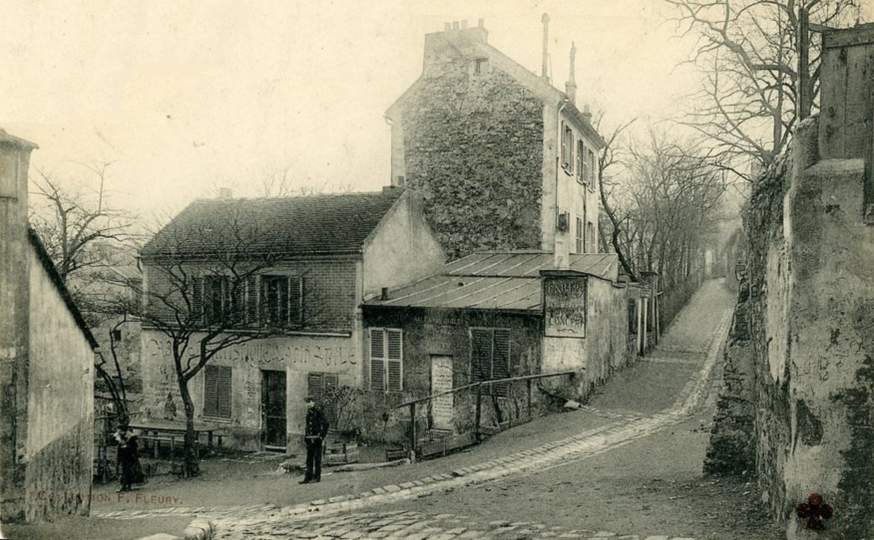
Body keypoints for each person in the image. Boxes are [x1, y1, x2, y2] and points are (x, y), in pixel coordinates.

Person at [300, 396, 329, 484]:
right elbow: (308, 427)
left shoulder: (318, 412)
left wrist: (321, 436)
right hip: (309, 439)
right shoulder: (309, 413)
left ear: (313, 402)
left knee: (317, 459)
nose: (308, 404)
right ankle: (307, 478)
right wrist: (306, 436)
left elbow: (326, 424)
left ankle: (317, 477)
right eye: (307, 402)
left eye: (309, 402)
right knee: (309, 459)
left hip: (317, 439)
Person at [114, 423, 144, 492]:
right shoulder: (119, 436)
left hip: (130, 456)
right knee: (124, 470)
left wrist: (126, 446)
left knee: (128, 471)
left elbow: (134, 447)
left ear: (123, 431)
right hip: (123, 455)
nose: (118, 432)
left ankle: (127, 486)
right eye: (118, 430)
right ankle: (124, 486)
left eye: (120, 430)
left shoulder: (130, 437)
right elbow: (117, 444)